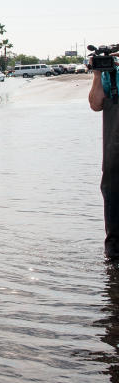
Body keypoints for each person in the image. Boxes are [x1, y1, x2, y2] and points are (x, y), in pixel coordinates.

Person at [90, 48, 119, 259]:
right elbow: (95, 103)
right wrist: (97, 74)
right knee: (113, 198)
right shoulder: (112, 74)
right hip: (115, 156)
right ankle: (113, 260)